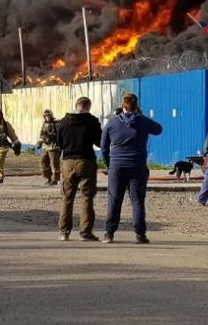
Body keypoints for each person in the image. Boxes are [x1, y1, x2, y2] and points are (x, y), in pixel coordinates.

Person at [101, 93, 162, 243]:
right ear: (137, 106)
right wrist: (141, 117)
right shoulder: (142, 121)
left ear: (122, 106)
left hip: (117, 167)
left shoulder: (112, 123)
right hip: (138, 167)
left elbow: (103, 147)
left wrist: (109, 165)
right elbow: (158, 129)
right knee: (137, 201)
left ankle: (109, 233)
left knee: (114, 200)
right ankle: (140, 235)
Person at [58, 96, 102, 242]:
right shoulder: (92, 121)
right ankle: (85, 233)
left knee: (67, 197)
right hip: (86, 161)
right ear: (88, 106)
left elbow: (58, 143)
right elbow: (99, 142)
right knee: (87, 198)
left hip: (68, 162)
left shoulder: (63, 122)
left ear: (76, 105)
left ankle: (64, 233)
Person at [37, 109, 61, 186]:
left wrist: (53, 138)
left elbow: (59, 135)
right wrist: (40, 142)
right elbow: (42, 134)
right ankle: (48, 178)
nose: (47, 117)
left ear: (51, 115)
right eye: (46, 116)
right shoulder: (44, 124)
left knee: (54, 164)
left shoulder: (56, 124)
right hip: (45, 147)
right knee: (43, 162)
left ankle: (54, 180)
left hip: (54, 147)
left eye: (48, 115)